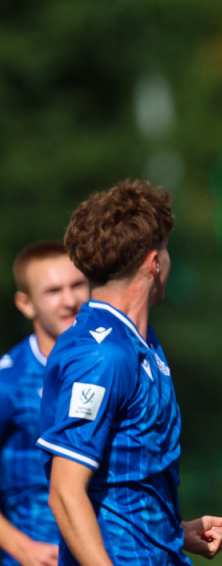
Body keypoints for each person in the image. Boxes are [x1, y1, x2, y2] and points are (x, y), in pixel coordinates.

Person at [36, 180, 222, 566]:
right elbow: (65, 492)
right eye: (167, 250)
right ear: (154, 261)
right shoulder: (101, 355)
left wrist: (176, 532)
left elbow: (123, 479)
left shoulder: (138, 344)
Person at [1, 241, 89, 566]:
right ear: (25, 304)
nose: (70, 301)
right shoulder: (8, 382)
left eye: (77, 285)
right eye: (53, 291)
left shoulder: (111, 364)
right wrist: (23, 548)